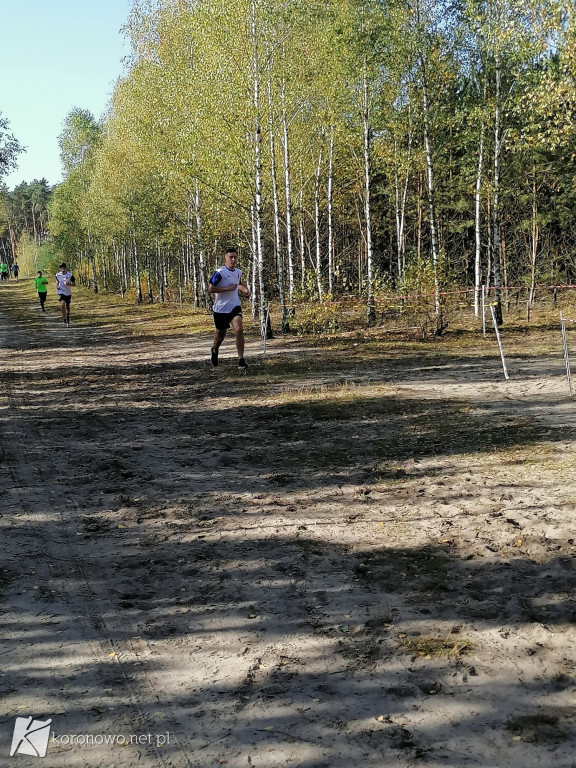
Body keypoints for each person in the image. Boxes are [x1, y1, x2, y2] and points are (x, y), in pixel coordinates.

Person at [208, 248, 251, 369]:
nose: (233, 260)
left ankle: (241, 360)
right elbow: (211, 289)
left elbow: (238, 284)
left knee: (239, 329)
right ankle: (215, 349)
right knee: (221, 334)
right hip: (220, 308)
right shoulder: (219, 272)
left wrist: (246, 290)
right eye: (230, 257)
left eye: (235, 257)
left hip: (234, 306)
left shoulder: (238, 272)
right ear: (225, 259)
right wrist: (227, 288)